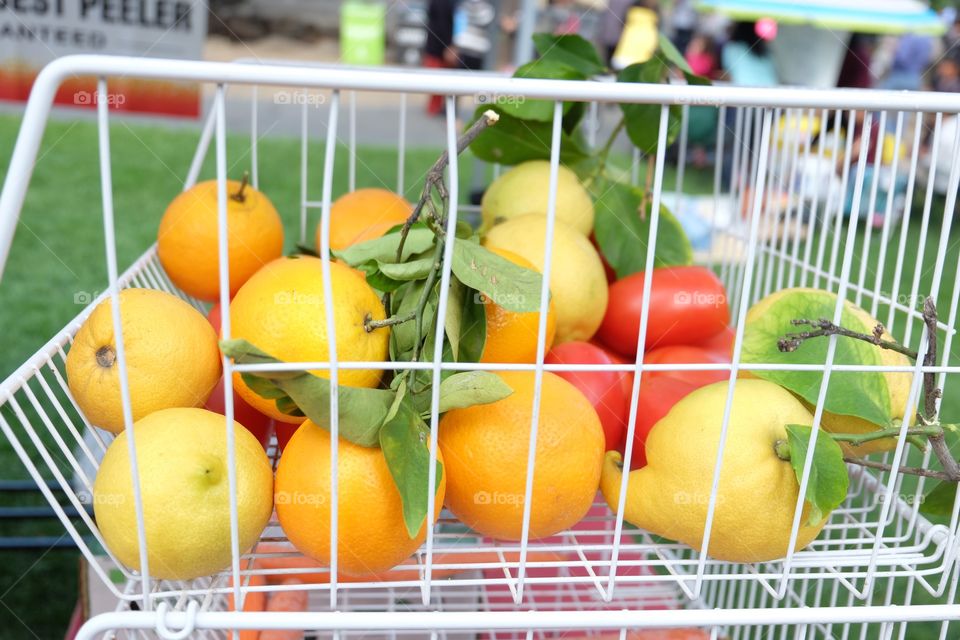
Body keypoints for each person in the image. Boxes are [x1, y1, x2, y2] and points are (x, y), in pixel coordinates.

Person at [423, 0, 459, 116]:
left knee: (439, 82)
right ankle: (434, 109)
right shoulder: (443, 3)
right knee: (437, 82)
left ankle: (436, 108)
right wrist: (448, 47)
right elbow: (442, 25)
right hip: (439, 49)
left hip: (437, 47)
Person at [720, 21, 777, 87]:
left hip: (744, 92)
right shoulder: (766, 52)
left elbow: (728, 76)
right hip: (769, 92)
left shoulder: (732, 48)